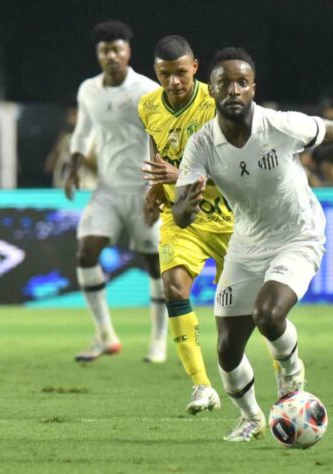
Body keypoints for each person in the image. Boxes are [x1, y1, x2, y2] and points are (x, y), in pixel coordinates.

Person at [173, 48, 333, 441]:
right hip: (247, 242)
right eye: (224, 83)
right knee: (226, 349)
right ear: (212, 90)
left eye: (242, 82)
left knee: (268, 315)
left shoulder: (280, 125)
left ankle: (291, 377)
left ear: (253, 87)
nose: (233, 90)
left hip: (298, 235)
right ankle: (252, 417)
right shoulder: (202, 144)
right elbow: (181, 217)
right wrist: (186, 206)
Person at [65, 20, 167, 363]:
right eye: (104, 50)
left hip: (143, 189)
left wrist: (157, 188)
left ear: (128, 52)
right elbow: (82, 133)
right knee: (86, 251)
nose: (111, 55)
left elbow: (160, 138)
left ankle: (158, 341)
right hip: (108, 189)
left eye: (117, 49)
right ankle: (105, 335)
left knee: (157, 264)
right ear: (99, 54)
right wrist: (73, 167)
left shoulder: (147, 90)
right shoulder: (88, 90)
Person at [138, 35, 227, 414]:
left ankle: (287, 379)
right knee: (174, 288)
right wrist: (158, 185)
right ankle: (202, 387)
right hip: (182, 217)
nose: (173, 82)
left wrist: (183, 173)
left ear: (195, 66)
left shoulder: (218, 103)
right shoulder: (147, 106)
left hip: (230, 216)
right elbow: (156, 146)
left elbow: (238, 165)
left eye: (179, 73)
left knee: (245, 313)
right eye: (164, 74)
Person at [44, 107, 98, 189]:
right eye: (69, 115)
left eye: (74, 114)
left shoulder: (96, 138)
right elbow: (49, 167)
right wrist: (57, 146)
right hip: (64, 192)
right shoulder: (66, 139)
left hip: (89, 191)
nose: (71, 118)